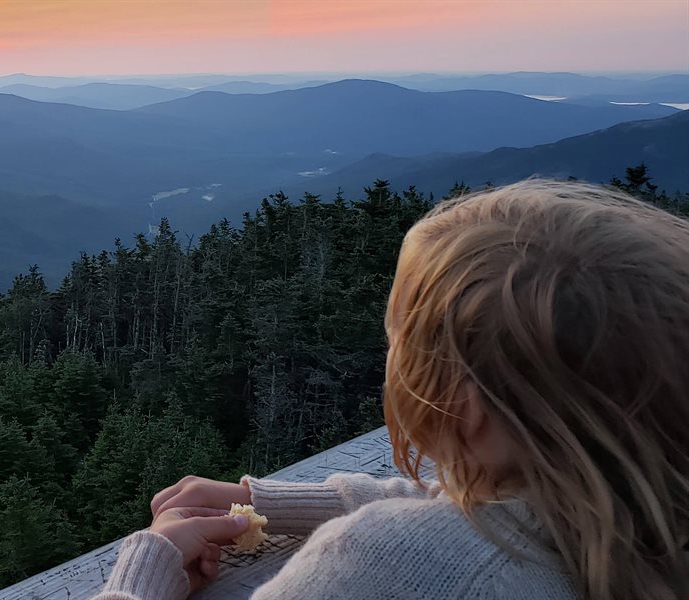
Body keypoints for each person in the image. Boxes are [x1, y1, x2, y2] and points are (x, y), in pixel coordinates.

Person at [92, 180, 689, 600]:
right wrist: (268, 504)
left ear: (464, 407)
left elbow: (439, 547)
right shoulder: (637, 519)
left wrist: (146, 567)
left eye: (397, 342)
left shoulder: (381, 564)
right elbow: (498, 511)